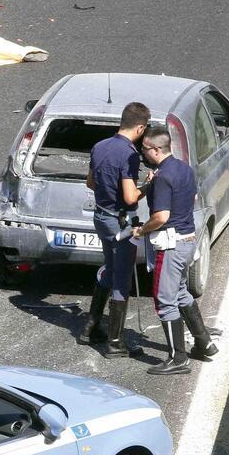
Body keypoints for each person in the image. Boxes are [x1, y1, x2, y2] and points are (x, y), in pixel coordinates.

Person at [134, 126, 218, 374]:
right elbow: (188, 198)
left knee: (164, 301)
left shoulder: (162, 177)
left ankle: (178, 358)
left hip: (170, 245)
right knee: (181, 292)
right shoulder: (183, 168)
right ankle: (204, 343)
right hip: (188, 240)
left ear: (156, 149)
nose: (143, 153)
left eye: (145, 149)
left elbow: (160, 216)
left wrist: (142, 231)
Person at [80, 102, 151, 357]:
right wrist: (147, 187)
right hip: (121, 223)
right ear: (141, 127)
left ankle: (90, 327)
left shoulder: (100, 146)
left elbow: (90, 182)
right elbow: (131, 197)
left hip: (100, 217)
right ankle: (115, 342)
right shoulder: (129, 155)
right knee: (122, 279)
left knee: (109, 270)